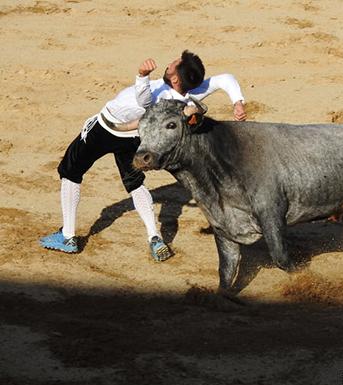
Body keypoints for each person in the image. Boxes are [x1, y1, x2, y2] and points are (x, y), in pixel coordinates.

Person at [40, 50, 247, 261]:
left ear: (175, 78)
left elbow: (144, 101)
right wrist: (237, 102)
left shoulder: (159, 98)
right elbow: (225, 79)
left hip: (104, 129)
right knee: (134, 182)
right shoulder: (188, 93)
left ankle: (68, 236)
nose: (169, 64)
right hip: (134, 138)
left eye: (173, 64)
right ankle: (154, 237)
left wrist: (142, 75)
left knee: (70, 170)